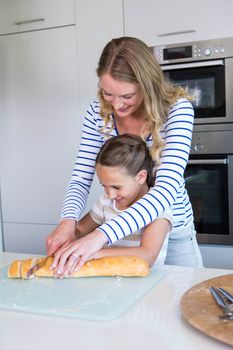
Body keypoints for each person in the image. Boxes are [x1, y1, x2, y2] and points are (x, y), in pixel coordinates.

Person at [47, 36, 203, 274]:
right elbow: (81, 178)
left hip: (174, 231)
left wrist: (100, 236)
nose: (116, 105)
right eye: (108, 93)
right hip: (120, 231)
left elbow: (165, 190)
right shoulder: (98, 112)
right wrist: (68, 223)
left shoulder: (176, 110)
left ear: (146, 84)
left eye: (126, 96)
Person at [54, 134, 172, 277]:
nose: (110, 195)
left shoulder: (158, 209)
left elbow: (147, 254)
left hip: (148, 284)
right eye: (105, 186)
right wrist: (66, 238)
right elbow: (80, 231)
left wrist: (96, 253)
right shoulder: (106, 202)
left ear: (141, 177)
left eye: (116, 187)